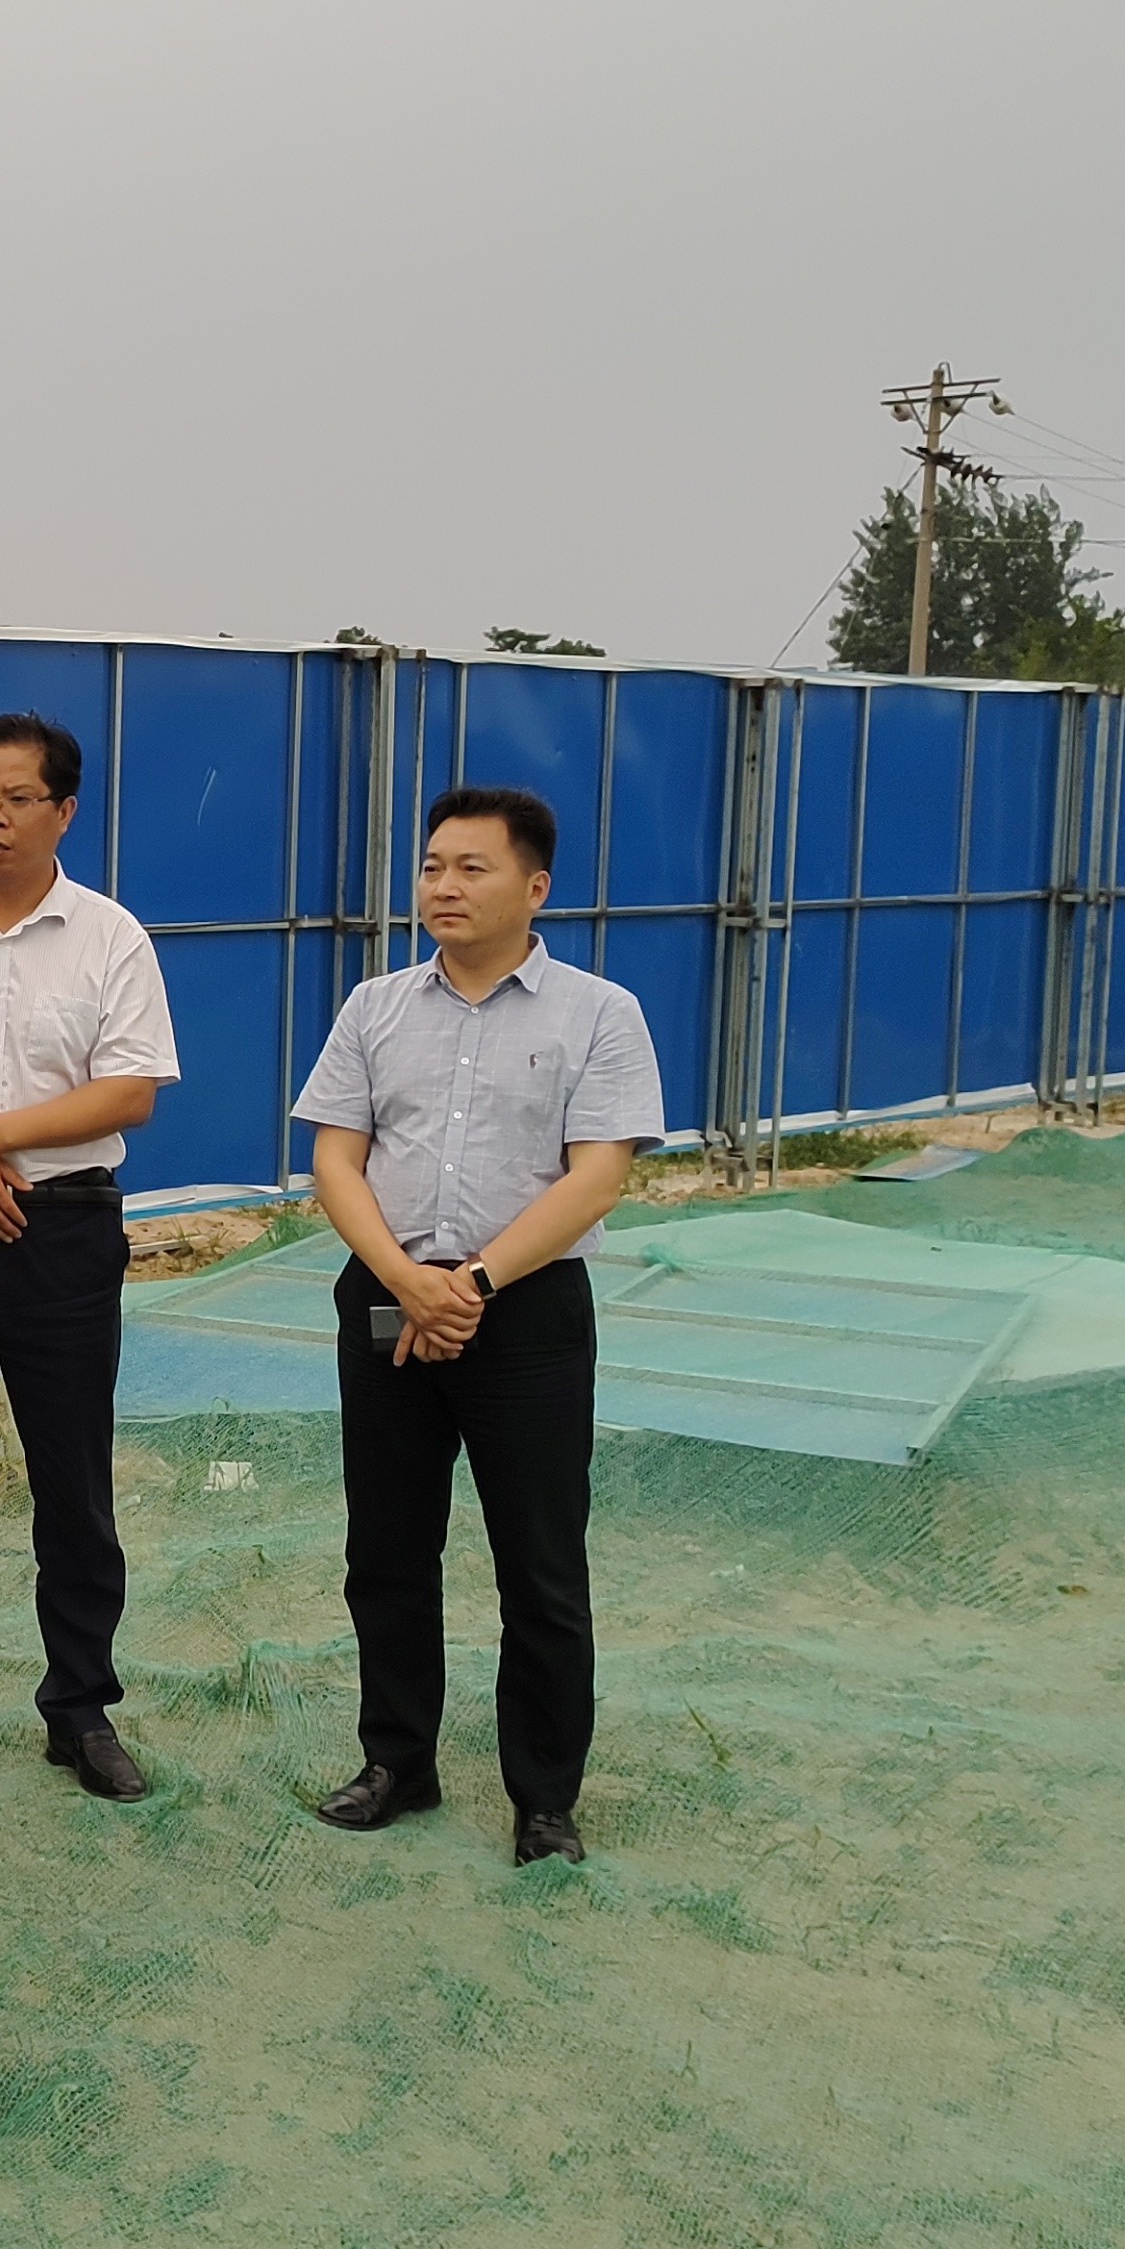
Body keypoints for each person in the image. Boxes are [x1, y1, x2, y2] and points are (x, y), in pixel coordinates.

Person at [293, 784, 664, 1870]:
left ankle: (543, 1798)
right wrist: (406, 1280)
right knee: (386, 1548)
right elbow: (334, 1158)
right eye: (431, 866)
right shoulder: (374, 1007)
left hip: (527, 1310)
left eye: (471, 868)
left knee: (540, 1563)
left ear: (534, 887)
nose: (443, 887)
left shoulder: (599, 1013)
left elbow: (596, 1178)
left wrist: (473, 1284)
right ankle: (395, 1762)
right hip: (386, 1295)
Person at [0, 712, 180, 1803]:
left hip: (62, 1230)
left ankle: (79, 1708)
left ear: (64, 810)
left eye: (16, 798)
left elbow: (128, 1090)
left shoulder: (109, 936)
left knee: (72, 1485)